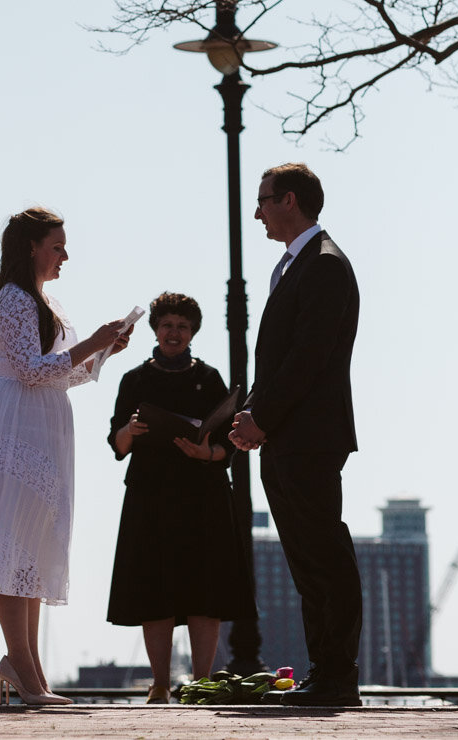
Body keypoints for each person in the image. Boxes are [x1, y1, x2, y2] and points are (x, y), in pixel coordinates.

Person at [0, 206, 131, 707]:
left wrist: (104, 351)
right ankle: (23, 666)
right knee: (10, 540)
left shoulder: (43, 301)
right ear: (31, 247)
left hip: (42, 422)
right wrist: (92, 345)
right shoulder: (15, 299)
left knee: (33, 545)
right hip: (16, 420)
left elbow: (62, 373)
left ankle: (28, 667)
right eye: (56, 245)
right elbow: (32, 370)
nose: (63, 255)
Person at [230, 162, 362, 707]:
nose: (256, 212)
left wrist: (262, 417)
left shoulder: (324, 265)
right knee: (307, 561)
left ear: (289, 200)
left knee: (324, 554)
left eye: (262, 200)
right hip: (288, 436)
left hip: (308, 437)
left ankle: (336, 677)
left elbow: (310, 358)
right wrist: (254, 413)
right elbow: (281, 361)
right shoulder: (294, 266)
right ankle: (323, 674)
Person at [106, 292, 256, 704]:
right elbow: (116, 443)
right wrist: (130, 433)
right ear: (156, 328)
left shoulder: (209, 379)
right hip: (150, 495)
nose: (174, 333)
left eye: (183, 326)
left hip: (203, 494)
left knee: (205, 592)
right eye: (168, 324)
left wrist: (206, 452)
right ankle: (158, 685)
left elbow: (232, 440)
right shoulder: (134, 380)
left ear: (193, 333)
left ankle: (202, 683)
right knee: (155, 590)